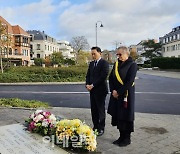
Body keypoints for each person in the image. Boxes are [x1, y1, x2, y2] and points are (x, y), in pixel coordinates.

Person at [107, 46, 137, 146]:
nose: (118, 56)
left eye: (120, 54)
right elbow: (111, 78)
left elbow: (129, 82)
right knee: (118, 116)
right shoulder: (116, 64)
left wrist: (118, 92)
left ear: (126, 54)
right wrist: (113, 91)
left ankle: (127, 139)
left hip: (126, 95)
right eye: (117, 54)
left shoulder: (132, 65)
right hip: (116, 95)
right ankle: (121, 137)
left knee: (126, 117)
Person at [86, 46, 109, 136]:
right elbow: (88, 75)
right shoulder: (91, 64)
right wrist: (87, 84)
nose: (93, 55)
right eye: (92, 54)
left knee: (100, 110)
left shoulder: (104, 63)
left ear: (100, 53)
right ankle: (95, 126)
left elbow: (103, 76)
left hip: (100, 90)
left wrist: (93, 85)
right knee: (94, 109)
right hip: (92, 90)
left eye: (94, 54)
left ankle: (101, 128)